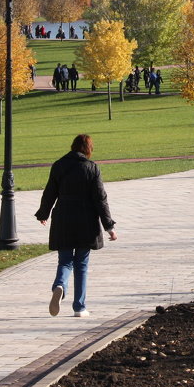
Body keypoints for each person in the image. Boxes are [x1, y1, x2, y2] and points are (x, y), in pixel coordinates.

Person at [37, 134, 117, 317]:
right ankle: (79, 307)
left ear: (72, 146)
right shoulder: (91, 168)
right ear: (88, 149)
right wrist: (109, 227)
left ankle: (60, 285)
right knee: (81, 263)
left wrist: (44, 214)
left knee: (65, 260)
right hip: (86, 220)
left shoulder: (59, 165)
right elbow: (100, 199)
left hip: (63, 218)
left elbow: (50, 192)